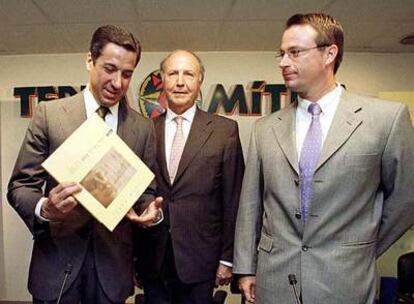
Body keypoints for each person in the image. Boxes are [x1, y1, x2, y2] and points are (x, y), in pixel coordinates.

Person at [233, 13, 414, 304]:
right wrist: (245, 269)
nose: (283, 62)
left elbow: (406, 198)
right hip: (275, 279)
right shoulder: (265, 129)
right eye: (281, 54)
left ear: (330, 53)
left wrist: (360, 246)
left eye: (294, 52)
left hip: (346, 279)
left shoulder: (386, 119)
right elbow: (250, 205)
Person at [7, 25, 162, 304]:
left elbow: (145, 192)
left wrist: (149, 210)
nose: (118, 83)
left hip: (112, 272)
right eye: (109, 69)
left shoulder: (143, 128)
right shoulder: (50, 115)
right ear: (89, 61)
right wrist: (46, 208)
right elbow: (20, 186)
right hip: (56, 266)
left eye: (127, 74)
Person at [135, 50, 245, 304]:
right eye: (173, 73)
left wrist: (228, 258)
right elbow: (135, 194)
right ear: (162, 80)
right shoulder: (144, 130)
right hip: (153, 259)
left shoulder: (224, 130)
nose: (180, 81)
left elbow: (233, 199)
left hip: (201, 261)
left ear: (199, 81)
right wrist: (133, 259)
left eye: (188, 74)